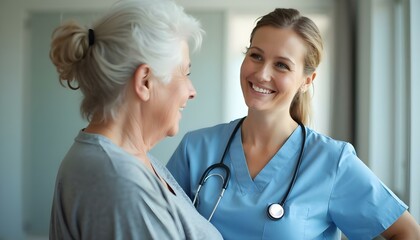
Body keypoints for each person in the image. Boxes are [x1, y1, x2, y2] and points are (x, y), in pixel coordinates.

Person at [167, 8, 420, 240]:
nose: (262, 74)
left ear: (306, 80)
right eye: (256, 56)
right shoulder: (196, 148)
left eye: (281, 65)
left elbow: (407, 232)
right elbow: (158, 227)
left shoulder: (331, 161)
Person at [48, 0, 223, 239]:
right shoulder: (118, 179)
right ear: (145, 82)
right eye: (185, 73)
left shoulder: (132, 160)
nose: (192, 91)